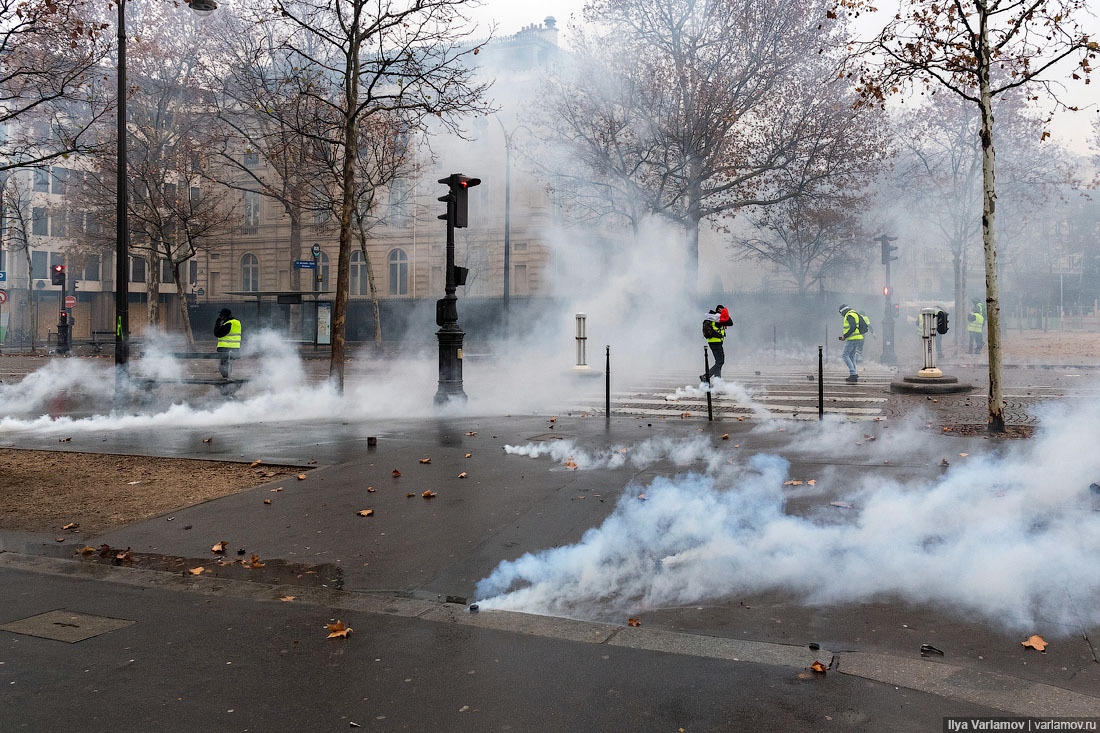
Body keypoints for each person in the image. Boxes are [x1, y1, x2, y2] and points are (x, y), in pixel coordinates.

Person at [699, 304, 733, 384]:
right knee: (720, 362)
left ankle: (718, 384)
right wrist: (726, 313)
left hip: (712, 342)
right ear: (720, 309)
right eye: (722, 309)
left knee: (718, 362)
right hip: (717, 342)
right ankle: (705, 377)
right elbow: (730, 322)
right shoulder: (718, 318)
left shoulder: (711, 317)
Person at [838, 304, 864, 383]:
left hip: (852, 338)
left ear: (843, 311)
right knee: (852, 356)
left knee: (845, 355)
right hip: (858, 338)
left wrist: (844, 336)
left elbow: (852, 327)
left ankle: (853, 373)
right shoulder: (854, 313)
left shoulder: (849, 315)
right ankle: (854, 373)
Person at [214, 308, 241, 378]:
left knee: (222, 367)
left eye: (221, 315)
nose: (220, 317)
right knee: (227, 365)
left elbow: (217, 333)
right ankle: (228, 379)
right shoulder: (237, 322)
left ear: (224, 316)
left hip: (226, 348)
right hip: (235, 347)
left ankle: (227, 381)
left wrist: (217, 323)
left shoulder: (228, 323)